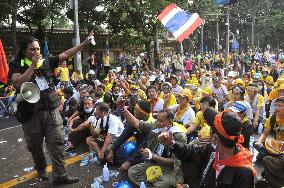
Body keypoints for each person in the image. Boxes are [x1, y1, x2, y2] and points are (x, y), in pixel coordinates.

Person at [9, 34, 94, 184]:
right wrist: (32, 67)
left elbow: (67, 54)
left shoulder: (46, 60)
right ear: (24, 50)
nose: (36, 52)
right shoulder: (17, 63)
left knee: (58, 142)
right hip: (31, 114)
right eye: (32, 49)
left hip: (51, 111)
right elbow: (17, 82)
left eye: (38, 49)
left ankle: (60, 175)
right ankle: (41, 169)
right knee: (35, 146)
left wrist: (84, 44)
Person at [157, 107, 255, 188]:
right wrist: (172, 143)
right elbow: (192, 153)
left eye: (210, 130)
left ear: (215, 138)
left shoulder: (243, 173)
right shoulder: (213, 151)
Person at [126, 109, 187, 187]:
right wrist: (123, 108)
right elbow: (136, 123)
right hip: (154, 164)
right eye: (157, 119)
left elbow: (176, 162)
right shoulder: (155, 127)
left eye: (161, 121)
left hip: (171, 169)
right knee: (132, 171)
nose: (157, 123)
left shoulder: (179, 136)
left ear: (169, 121)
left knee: (161, 183)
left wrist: (153, 156)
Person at [106, 100, 154, 171]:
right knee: (110, 150)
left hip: (147, 151)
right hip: (137, 147)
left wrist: (129, 161)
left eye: (135, 110)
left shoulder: (151, 126)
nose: (134, 112)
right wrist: (112, 150)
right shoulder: (134, 121)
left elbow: (144, 146)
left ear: (142, 113)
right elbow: (123, 136)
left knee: (137, 163)